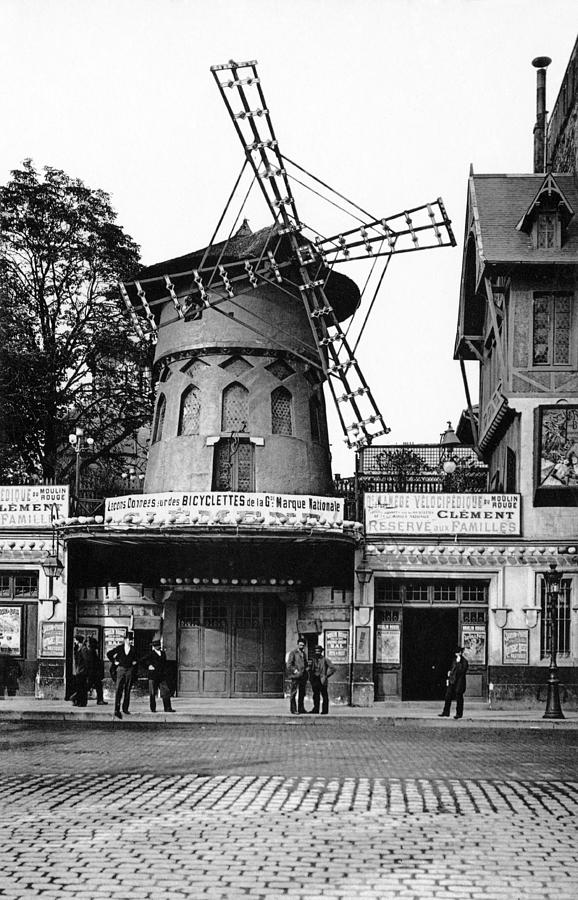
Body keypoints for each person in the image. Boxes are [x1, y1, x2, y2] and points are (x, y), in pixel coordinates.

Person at [107, 632, 138, 720]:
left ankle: (125, 709)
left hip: (130, 670)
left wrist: (135, 662)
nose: (130, 641)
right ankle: (117, 710)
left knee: (127, 689)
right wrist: (114, 662)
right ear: (125, 640)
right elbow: (109, 654)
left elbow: (138, 658)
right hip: (120, 670)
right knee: (118, 690)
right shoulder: (120, 648)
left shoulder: (133, 649)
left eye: (131, 640)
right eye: (129, 640)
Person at [140, 638, 174, 713]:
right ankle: (153, 709)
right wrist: (148, 666)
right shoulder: (150, 654)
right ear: (153, 646)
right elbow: (142, 661)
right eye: (156, 645)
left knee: (166, 692)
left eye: (158, 645)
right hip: (153, 676)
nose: (157, 647)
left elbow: (165, 664)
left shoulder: (163, 653)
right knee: (152, 693)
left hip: (162, 676)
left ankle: (167, 708)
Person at [438, 646, 469, 720]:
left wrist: (459, 663)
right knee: (448, 696)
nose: (457, 654)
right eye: (456, 653)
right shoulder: (454, 660)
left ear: (461, 653)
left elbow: (462, 671)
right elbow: (452, 669)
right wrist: (449, 675)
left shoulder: (464, 662)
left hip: (459, 682)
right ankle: (446, 712)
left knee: (459, 697)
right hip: (452, 680)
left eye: (458, 653)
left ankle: (459, 714)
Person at [308, 645, 336, 715]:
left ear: (321, 652)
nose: (317, 653)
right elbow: (309, 668)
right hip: (315, 679)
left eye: (319, 651)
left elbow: (333, 668)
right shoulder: (313, 659)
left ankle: (325, 710)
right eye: (316, 651)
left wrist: (326, 675)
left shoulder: (325, 659)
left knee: (324, 695)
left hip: (322, 679)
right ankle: (316, 709)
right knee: (315, 695)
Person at [286, 636, 309, 715]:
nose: (301, 646)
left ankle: (301, 708)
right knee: (294, 693)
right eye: (300, 645)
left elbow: (305, 664)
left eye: (303, 645)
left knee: (302, 693)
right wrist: (295, 670)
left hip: (303, 676)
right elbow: (289, 665)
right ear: (297, 644)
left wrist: (307, 669)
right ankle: (293, 709)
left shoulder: (304, 654)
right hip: (295, 676)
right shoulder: (293, 653)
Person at [86, 636, 107, 705]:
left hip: (93, 673)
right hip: (93, 673)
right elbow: (93, 663)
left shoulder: (91, 651)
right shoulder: (92, 652)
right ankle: (75, 697)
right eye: (96, 644)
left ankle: (100, 700)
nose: (97, 645)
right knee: (94, 687)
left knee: (92, 687)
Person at [71, 634, 90, 707]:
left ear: (78, 641)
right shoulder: (79, 648)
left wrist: (85, 670)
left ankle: (82, 702)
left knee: (82, 687)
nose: (74, 642)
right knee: (79, 687)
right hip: (79, 670)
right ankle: (79, 701)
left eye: (75, 640)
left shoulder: (83, 649)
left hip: (82, 671)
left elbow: (86, 660)